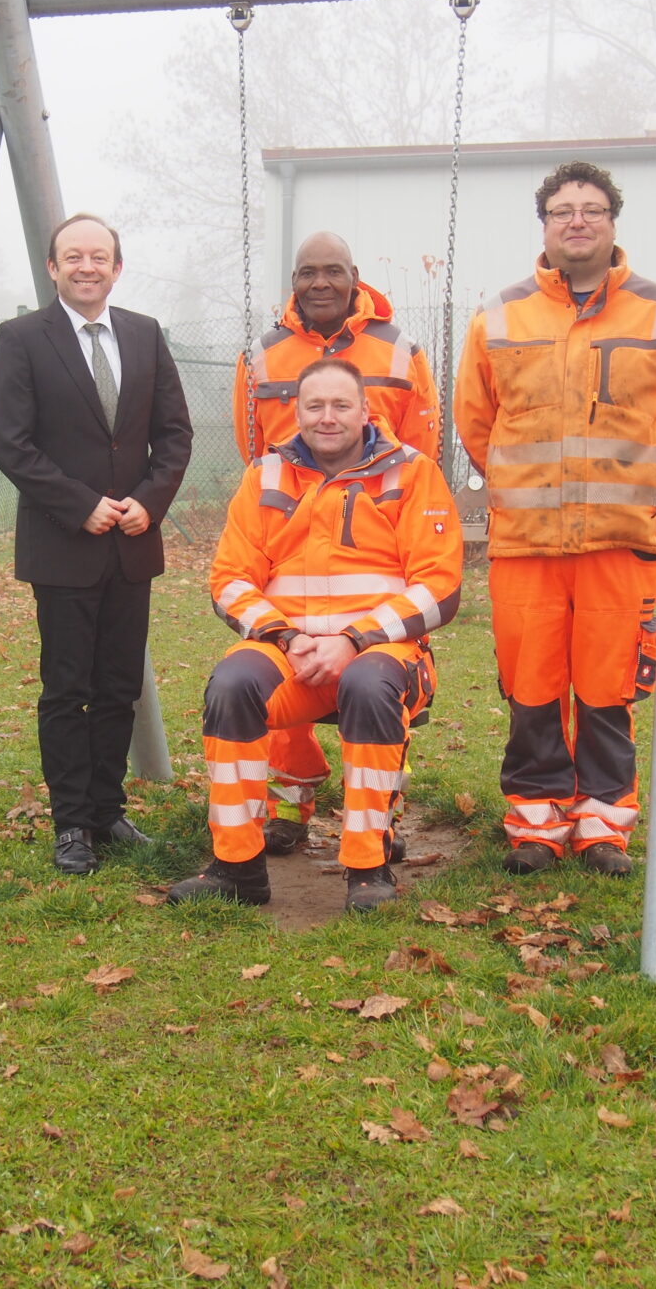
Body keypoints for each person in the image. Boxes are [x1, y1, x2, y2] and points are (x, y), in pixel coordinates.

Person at [169, 359, 461, 913]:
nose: (328, 418)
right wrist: (283, 636)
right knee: (231, 684)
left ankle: (368, 866)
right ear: (297, 412)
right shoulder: (266, 474)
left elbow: (440, 587)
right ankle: (236, 865)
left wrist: (355, 639)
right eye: (315, 406)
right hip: (290, 654)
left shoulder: (413, 472)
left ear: (365, 411)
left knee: (371, 688)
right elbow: (229, 579)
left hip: (382, 655)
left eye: (341, 405)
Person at [454, 161, 656, 878]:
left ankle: (604, 827)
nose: (577, 220)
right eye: (561, 211)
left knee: (609, 688)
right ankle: (535, 825)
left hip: (623, 542)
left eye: (592, 208)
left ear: (614, 221)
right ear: (544, 226)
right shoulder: (501, 316)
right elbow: (475, 422)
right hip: (527, 547)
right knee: (533, 686)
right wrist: (528, 487)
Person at [0, 213, 194, 876]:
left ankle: (108, 809)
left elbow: (176, 433)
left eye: (98, 256)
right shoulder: (22, 339)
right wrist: (83, 506)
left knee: (118, 688)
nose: (86, 266)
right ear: (52, 268)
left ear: (117, 266)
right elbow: (10, 442)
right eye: (72, 256)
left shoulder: (145, 335)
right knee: (66, 688)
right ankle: (71, 822)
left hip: (133, 544)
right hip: (63, 545)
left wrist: (148, 502)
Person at [230, 231, 442, 856]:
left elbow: (422, 442)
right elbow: (251, 447)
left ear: (355, 277)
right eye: (306, 273)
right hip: (285, 531)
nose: (320, 283)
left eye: (332, 272)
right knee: (273, 649)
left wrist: (391, 515)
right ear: (292, 281)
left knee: (376, 676)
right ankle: (288, 801)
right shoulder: (265, 355)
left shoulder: (399, 350)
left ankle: (376, 817)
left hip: (373, 532)